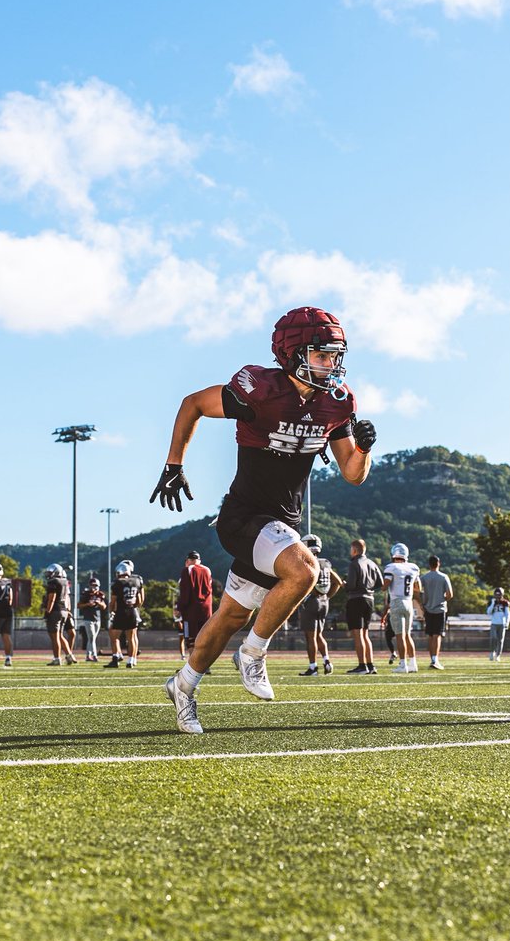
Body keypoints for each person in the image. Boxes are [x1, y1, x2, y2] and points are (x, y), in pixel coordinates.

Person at [152, 306, 375, 734]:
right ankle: (252, 654)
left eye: (335, 356)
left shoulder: (337, 401)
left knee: (230, 618)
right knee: (305, 570)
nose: (332, 365)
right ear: (293, 354)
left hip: (281, 525)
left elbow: (352, 474)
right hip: (245, 516)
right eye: (322, 355)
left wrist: (363, 449)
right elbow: (193, 403)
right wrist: (173, 463)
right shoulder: (259, 389)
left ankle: (183, 685)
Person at [297, 534, 342, 676]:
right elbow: (338, 582)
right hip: (324, 602)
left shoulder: (308, 563)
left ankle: (313, 667)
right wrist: (328, 596)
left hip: (312, 601)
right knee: (319, 635)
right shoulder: (325, 563)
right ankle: (327, 661)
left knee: (310, 637)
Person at [383, 543, 421, 674]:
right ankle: (413, 664)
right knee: (408, 635)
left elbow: (384, 585)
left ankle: (403, 664)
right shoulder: (413, 568)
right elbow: (418, 588)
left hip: (397, 601)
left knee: (399, 636)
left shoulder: (391, 567)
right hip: (409, 602)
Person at [345, 538, 382, 674]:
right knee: (366, 634)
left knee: (358, 633)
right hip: (369, 599)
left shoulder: (354, 564)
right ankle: (370, 665)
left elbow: (351, 585)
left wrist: (344, 584)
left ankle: (362, 665)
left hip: (356, 599)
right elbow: (380, 582)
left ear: (354, 550)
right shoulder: (372, 563)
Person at [415, 555, 452, 669]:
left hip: (428, 609)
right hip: (440, 609)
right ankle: (435, 660)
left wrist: (421, 603)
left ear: (429, 564)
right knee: (437, 635)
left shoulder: (424, 577)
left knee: (430, 635)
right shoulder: (444, 577)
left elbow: (416, 589)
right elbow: (450, 594)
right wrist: (442, 599)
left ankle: (432, 659)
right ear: (438, 563)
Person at [106, 560, 144, 669]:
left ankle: (115, 657)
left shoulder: (117, 583)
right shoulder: (136, 581)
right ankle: (131, 661)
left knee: (114, 636)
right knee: (131, 637)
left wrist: (111, 611)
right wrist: (133, 606)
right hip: (132, 611)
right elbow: (139, 600)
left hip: (121, 612)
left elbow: (113, 601)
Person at [177, 551, 213, 660]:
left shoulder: (187, 570)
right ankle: (205, 665)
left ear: (188, 561)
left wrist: (180, 608)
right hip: (206, 609)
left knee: (190, 638)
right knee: (204, 637)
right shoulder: (207, 570)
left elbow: (185, 593)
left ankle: (193, 666)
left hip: (191, 610)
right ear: (199, 560)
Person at [42, 564, 75, 665]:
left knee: (55, 636)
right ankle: (69, 655)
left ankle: (57, 658)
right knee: (60, 635)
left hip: (56, 610)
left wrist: (48, 611)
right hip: (64, 610)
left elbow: (52, 598)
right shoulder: (65, 582)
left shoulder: (53, 582)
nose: (48, 575)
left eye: (50, 572)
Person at [78, 574, 107, 663]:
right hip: (88, 618)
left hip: (97, 618)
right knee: (91, 637)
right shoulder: (86, 594)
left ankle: (88, 655)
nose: (94, 587)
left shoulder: (100, 595)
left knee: (93, 638)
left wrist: (99, 603)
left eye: (96, 585)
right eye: (93, 585)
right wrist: (87, 604)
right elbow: (78, 605)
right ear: (90, 586)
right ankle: (94, 655)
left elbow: (104, 607)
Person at [486, 588, 510, 662]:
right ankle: (492, 652)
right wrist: (493, 603)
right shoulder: (491, 602)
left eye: (499, 594)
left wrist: (507, 622)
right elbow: (488, 612)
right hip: (494, 623)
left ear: (502, 594)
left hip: (502, 624)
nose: (497, 596)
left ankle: (498, 655)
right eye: (496, 594)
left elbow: (507, 613)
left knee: (500, 640)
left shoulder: (505, 603)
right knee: (493, 638)